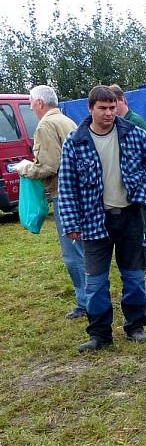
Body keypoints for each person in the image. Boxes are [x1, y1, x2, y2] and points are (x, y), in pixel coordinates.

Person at [58, 85, 146, 352]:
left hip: (129, 217)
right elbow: (67, 186)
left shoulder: (132, 133)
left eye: (112, 107)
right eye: (102, 108)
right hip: (94, 220)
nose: (109, 113)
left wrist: (142, 190)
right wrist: (71, 223)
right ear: (90, 108)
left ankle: (135, 327)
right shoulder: (75, 141)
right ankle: (99, 334)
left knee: (133, 278)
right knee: (95, 282)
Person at [13, 86, 84, 318]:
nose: (31, 107)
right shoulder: (67, 121)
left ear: (40, 103)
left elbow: (49, 166)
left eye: (32, 103)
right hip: (80, 192)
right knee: (83, 248)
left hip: (63, 194)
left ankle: (85, 302)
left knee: (72, 253)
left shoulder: (45, 125)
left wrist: (24, 168)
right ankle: (92, 296)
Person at [109, 85, 146, 279]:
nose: (111, 109)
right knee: (131, 228)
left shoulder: (137, 122)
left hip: (142, 185)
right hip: (123, 187)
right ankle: (141, 262)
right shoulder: (113, 126)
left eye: (114, 104)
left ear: (123, 101)